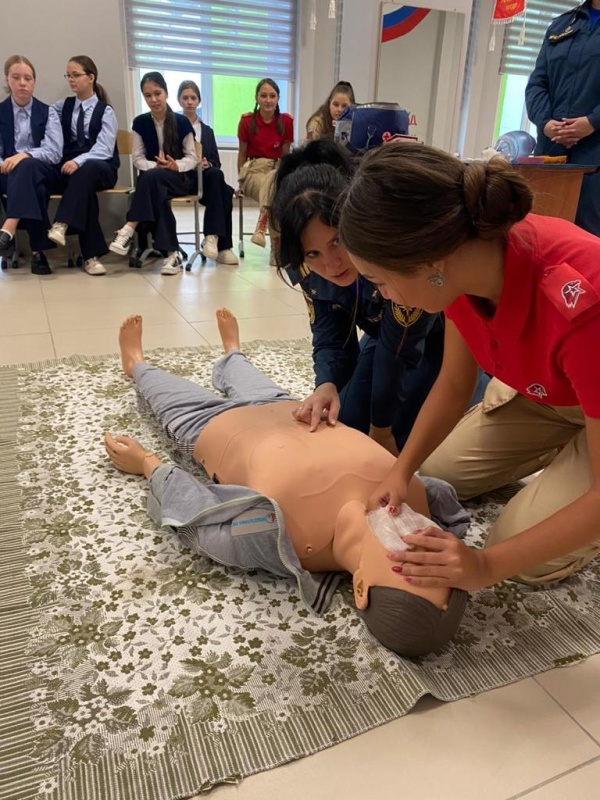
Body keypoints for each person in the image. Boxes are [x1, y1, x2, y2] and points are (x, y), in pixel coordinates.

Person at [104, 308, 469, 658]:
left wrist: (148, 465)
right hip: (293, 407)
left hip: (207, 426)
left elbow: (201, 521)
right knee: (244, 370)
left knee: (156, 384)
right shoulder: (415, 501)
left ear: (361, 588)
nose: (417, 544)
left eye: (411, 566)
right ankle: (232, 353)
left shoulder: (284, 538)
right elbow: (446, 501)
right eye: (436, 556)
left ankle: (135, 362)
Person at [337, 139, 600, 595]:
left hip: (584, 393)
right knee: (436, 475)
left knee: (518, 553)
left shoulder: (581, 296)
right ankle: (567, 450)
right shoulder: (460, 269)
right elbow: (455, 383)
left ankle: (578, 456)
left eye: (380, 282)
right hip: (548, 395)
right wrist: (401, 469)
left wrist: (482, 566)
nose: (382, 297)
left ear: (429, 263)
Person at [271, 140, 461, 454]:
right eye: (313, 252)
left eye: (336, 242)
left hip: (442, 343)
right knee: (345, 424)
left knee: (400, 441)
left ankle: (485, 384)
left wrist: (382, 430)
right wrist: (326, 383)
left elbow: (400, 350)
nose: (331, 265)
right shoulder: (306, 268)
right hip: (384, 337)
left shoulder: (389, 250)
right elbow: (331, 334)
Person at [109, 72, 197, 276]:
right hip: (154, 180)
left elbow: (192, 158)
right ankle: (171, 255)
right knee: (155, 188)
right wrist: (156, 167)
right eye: (148, 95)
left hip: (179, 178)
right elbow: (137, 158)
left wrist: (175, 165)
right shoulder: (140, 122)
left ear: (166, 93)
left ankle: (129, 227)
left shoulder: (182, 122)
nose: (154, 99)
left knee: (149, 180)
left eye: (157, 93)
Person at [525, 0, 600, 237]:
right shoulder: (562, 24)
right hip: (552, 153)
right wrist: (546, 123)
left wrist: (592, 122)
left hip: (595, 155)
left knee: (589, 241)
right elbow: (537, 83)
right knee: (540, 235)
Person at [49, 55, 119, 276]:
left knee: (86, 171)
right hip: (75, 172)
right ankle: (91, 257)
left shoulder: (105, 111)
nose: (71, 80)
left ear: (91, 77)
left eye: (76, 75)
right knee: (83, 188)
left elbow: (105, 149)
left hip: (101, 167)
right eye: (68, 75)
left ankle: (61, 222)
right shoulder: (62, 107)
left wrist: (78, 161)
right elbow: (46, 113)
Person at [0, 55, 62, 275]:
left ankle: (9, 225)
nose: (22, 83)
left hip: (43, 169)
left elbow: (54, 153)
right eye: (16, 77)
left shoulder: (49, 112)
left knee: (26, 167)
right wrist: (7, 162)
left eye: (28, 78)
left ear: (34, 82)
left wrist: (23, 155)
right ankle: (38, 252)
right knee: (37, 189)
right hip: (7, 173)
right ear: (8, 81)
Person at [177, 79, 238, 266]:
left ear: (198, 101)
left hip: (205, 178)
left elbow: (216, 161)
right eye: (185, 98)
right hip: (183, 178)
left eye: (193, 98)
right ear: (179, 100)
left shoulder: (207, 131)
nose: (189, 101)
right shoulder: (174, 125)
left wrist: (207, 162)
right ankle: (222, 245)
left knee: (217, 177)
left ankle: (213, 238)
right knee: (225, 192)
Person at [237, 78, 293, 264]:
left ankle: (263, 222)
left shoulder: (285, 121)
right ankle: (276, 247)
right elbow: (242, 154)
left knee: (275, 183)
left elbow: (286, 157)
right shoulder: (246, 122)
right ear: (256, 98)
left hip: (277, 171)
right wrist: (240, 183)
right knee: (274, 186)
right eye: (263, 96)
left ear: (278, 98)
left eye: (272, 96)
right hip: (253, 171)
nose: (268, 100)